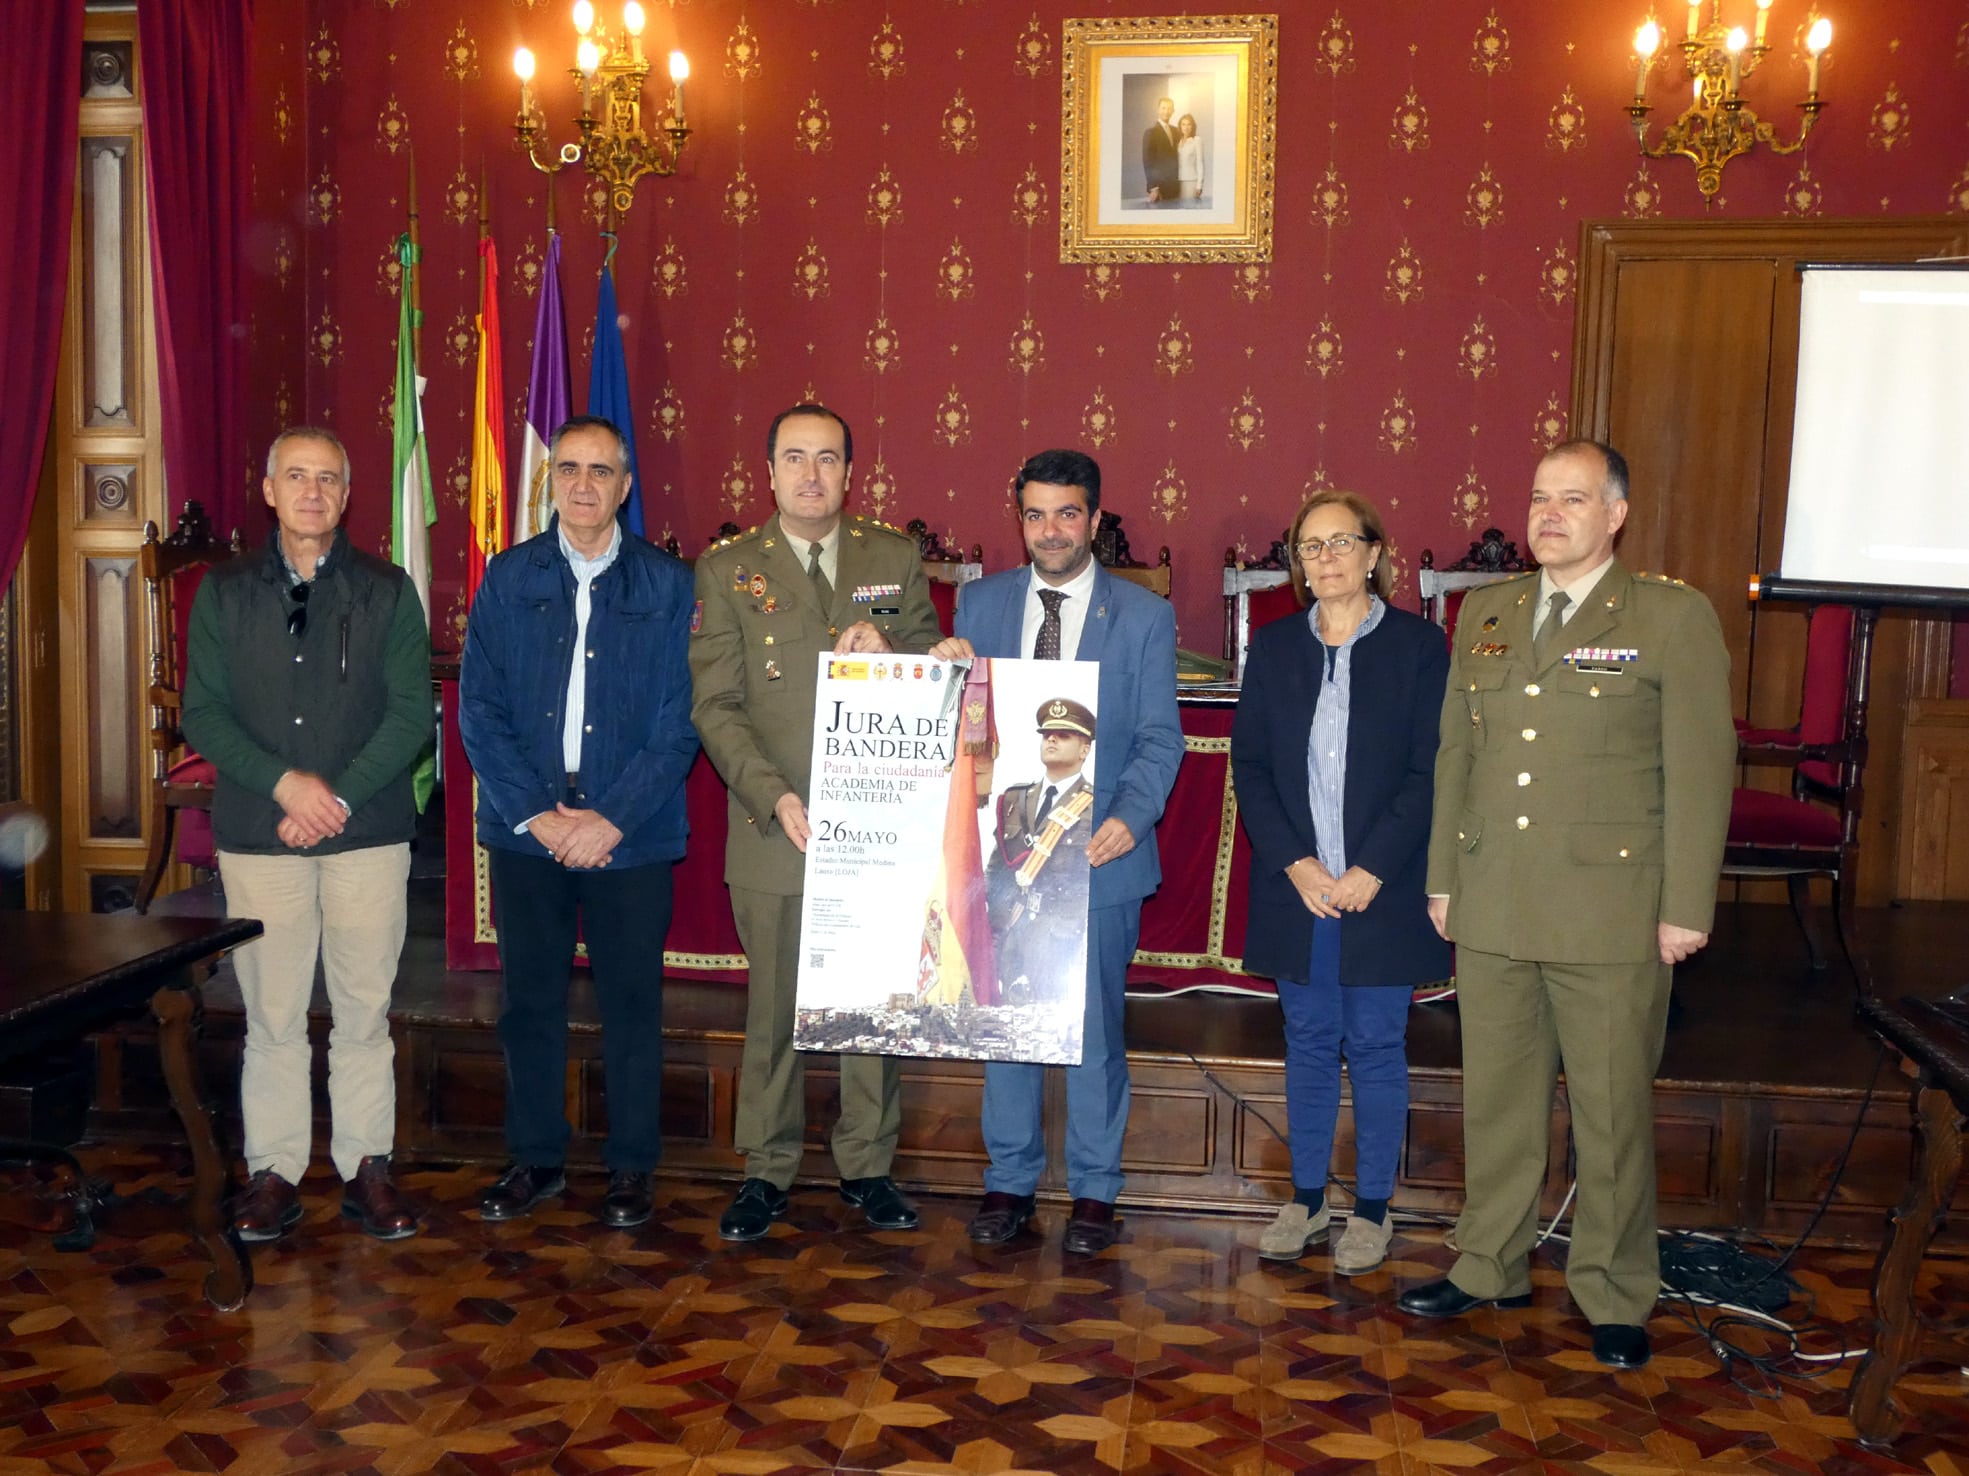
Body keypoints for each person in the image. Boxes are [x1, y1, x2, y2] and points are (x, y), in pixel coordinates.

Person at [1399, 439, 1734, 1371]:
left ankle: (1615, 1289)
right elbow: (1455, 756)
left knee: (1611, 1111)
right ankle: (1488, 1263)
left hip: (1612, 909)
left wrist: (1684, 905)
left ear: (1616, 513)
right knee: (1498, 1101)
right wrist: (1442, 875)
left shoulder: (1668, 616)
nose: (1549, 515)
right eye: (1540, 497)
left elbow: (1702, 770)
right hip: (1495, 896)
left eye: (1573, 499)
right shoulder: (1488, 614)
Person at [690, 403, 943, 1242]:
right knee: (775, 1012)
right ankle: (765, 1170)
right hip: (776, 826)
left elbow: (934, 680)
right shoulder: (729, 569)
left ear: (848, 471)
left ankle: (867, 1166)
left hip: (877, 832)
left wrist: (902, 655)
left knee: (871, 1006)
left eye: (827, 459)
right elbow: (716, 705)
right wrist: (770, 792)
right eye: (794, 459)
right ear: (767, 473)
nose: (810, 475)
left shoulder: (892, 557)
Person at [931, 448, 1182, 1256]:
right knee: (1005, 1020)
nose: (1049, 530)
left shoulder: (1141, 616)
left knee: (1090, 1031)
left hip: (1099, 858)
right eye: (1035, 513)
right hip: (1007, 849)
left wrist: (1132, 819)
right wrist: (942, 676)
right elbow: (963, 731)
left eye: (1066, 513)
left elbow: (1156, 740)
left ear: (1095, 520)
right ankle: (1007, 1182)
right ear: (1020, 516)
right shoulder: (979, 604)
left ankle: (1094, 1193)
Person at [182, 426, 429, 1243]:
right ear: (268, 489)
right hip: (262, 831)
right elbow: (203, 714)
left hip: (366, 834)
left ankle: (367, 1168)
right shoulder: (223, 593)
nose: (313, 492)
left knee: (364, 1012)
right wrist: (288, 785)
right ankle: (275, 1172)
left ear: (347, 494)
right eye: (297, 476)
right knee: (274, 1017)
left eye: (328, 478)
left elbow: (408, 714)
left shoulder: (389, 590)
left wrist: (339, 797)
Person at [459, 414, 698, 1231]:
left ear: (625, 486)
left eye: (602, 471)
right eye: (569, 470)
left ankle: (631, 1166)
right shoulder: (506, 577)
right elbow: (478, 711)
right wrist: (539, 815)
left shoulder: (669, 586)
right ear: (549, 481)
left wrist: (610, 820)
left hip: (631, 832)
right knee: (529, 1002)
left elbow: (681, 720)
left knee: (632, 1003)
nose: (585, 485)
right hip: (529, 829)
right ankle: (535, 1158)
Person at [1231, 490, 1450, 1276]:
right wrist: (1297, 863)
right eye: (1308, 547)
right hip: (1300, 888)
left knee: (1376, 1045)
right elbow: (1249, 768)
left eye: (1339, 543)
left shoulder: (1421, 650)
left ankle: (1372, 1210)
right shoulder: (1277, 646)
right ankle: (1306, 1198)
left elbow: (1430, 773)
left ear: (1373, 554)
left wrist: (1370, 870)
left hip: (1378, 890)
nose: (1323, 559)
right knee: (1310, 1043)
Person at [988, 699, 1097, 1008]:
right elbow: (997, 870)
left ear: (1084, 749)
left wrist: (1070, 931)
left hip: (1062, 937)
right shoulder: (1014, 798)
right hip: (1013, 930)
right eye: (1047, 733)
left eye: (1063, 735)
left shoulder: (1094, 805)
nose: (1051, 739)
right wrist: (995, 928)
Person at [1141, 96, 1181, 206]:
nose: (1166, 111)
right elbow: (1148, 162)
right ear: (1158, 110)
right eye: (1163, 108)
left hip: (1176, 185)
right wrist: (1153, 187)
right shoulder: (1150, 132)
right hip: (1160, 186)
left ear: (1173, 111)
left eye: (1169, 108)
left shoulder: (1176, 131)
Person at [1175, 114, 1204, 202]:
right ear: (1180, 126)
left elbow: (1200, 163)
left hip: (1191, 181)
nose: (1186, 127)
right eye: (1183, 124)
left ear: (1193, 126)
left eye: (1189, 124)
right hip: (1177, 181)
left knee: (1189, 207)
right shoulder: (1178, 141)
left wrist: (1199, 185)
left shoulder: (1196, 140)